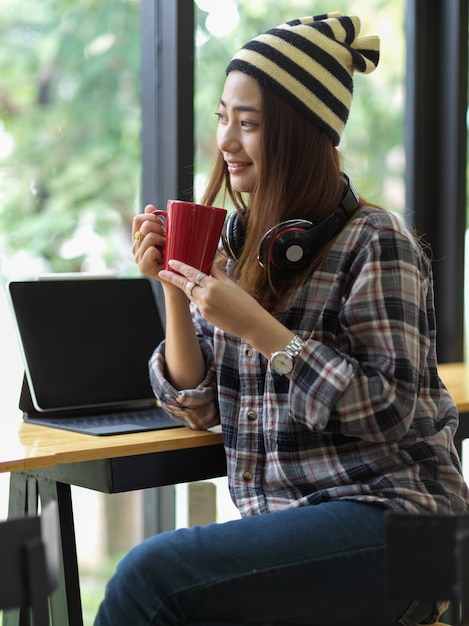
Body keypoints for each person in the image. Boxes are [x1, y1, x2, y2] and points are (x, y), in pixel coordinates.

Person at [95, 12, 469, 626]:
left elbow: (393, 407)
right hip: (298, 529)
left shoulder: (378, 242)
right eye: (223, 117)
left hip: (407, 531)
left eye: (249, 123)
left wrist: (260, 329)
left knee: (151, 579)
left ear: (301, 133)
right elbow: (199, 404)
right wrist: (173, 288)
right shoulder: (245, 246)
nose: (226, 141)